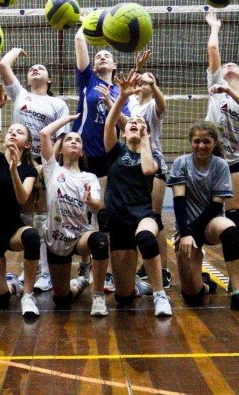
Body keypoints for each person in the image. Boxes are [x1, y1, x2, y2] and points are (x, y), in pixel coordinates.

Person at [0, 47, 70, 292]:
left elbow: (61, 136)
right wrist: (18, 50)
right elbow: (3, 65)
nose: (35, 69)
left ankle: (46, 272)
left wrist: (49, 163)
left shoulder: (57, 103)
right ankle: (32, 266)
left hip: (46, 160)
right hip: (21, 159)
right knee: (27, 214)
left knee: (43, 215)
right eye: (31, 69)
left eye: (41, 68)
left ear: (49, 79)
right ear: (26, 80)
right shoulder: (19, 94)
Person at [168, 121, 239, 313]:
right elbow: (179, 202)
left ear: (214, 143)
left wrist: (193, 233)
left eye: (206, 141)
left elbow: (216, 205)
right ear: (191, 142)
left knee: (231, 230)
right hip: (186, 227)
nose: (201, 146)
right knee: (192, 295)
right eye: (197, 141)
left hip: (209, 223)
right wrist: (185, 233)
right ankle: (205, 284)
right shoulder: (181, 163)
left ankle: (238, 292)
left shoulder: (221, 165)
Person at [104, 71, 172, 317]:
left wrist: (145, 137)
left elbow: (147, 170)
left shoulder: (149, 155)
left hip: (142, 215)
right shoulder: (115, 150)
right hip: (118, 219)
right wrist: (122, 97)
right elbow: (111, 122)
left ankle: (159, 295)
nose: (135, 123)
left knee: (145, 238)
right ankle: (137, 286)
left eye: (140, 123)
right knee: (123, 297)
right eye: (131, 123)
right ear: (124, 132)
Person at [72, 27, 133, 291]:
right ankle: (83, 267)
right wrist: (85, 22)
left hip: (106, 157)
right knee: (81, 213)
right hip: (81, 156)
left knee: (103, 215)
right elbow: (78, 40)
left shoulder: (121, 91)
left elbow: (127, 123)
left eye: (107, 55)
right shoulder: (87, 81)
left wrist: (112, 102)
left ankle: (104, 270)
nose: (102, 58)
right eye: (98, 56)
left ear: (115, 64)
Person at [203, 12, 239, 284]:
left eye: (234, 66)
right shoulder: (215, 83)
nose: (229, 67)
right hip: (210, 159)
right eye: (226, 66)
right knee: (204, 213)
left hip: (235, 160)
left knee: (238, 215)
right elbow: (213, 49)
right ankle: (199, 263)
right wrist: (215, 27)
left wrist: (230, 91)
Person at [39, 114, 110, 316]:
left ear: (81, 151)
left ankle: (98, 296)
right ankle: (79, 284)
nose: (74, 142)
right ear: (60, 149)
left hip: (80, 236)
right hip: (56, 237)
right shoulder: (52, 169)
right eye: (69, 139)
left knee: (100, 241)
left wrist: (90, 201)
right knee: (61, 301)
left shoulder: (89, 177)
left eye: (78, 140)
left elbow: (96, 207)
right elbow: (44, 133)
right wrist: (66, 119)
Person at [0, 82, 41, 317]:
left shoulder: (28, 169)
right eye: (10, 131)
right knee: (0, 301)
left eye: (19, 131)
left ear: (27, 143)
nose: (12, 133)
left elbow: (22, 197)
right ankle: (11, 286)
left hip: (11, 226)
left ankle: (27, 294)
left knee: (32, 237)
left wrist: (15, 169)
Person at [127, 64, 173, 289]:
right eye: (141, 81)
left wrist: (153, 85)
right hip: (132, 163)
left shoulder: (155, 104)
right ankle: (146, 263)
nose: (143, 83)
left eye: (149, 81)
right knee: (138, 217)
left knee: (154, 217)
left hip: (154, 160)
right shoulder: (131, 103)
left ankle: (163, 268)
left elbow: (163, 104)